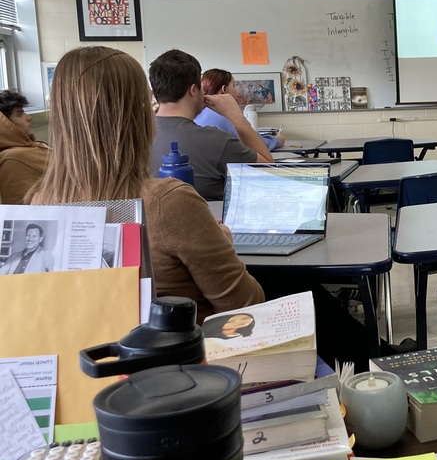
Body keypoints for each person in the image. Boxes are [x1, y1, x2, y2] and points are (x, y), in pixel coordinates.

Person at [27, 46, 265, 321]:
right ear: (139, 114)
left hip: (80, 358)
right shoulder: (170, 201)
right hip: (176, 357)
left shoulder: (39, 202)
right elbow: (247, 304)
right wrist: (224, 245)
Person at [148, 50, 272, 201]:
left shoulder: (135, 137)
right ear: (193, 90)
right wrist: (235, 116)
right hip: (209, 222)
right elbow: (269, 171)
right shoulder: (216, 140)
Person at [195, 69, 282, 151]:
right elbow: (260, 145)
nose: (237, 92)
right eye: (234, 86)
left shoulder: (198, 112)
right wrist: (278, 140)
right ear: (224, 89)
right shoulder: (226, 115)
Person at [0, 90, 49, 204]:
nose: (28, 117)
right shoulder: (12, 159)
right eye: (20, 113)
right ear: (5, 123)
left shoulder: (30, 146)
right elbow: (21, 210)